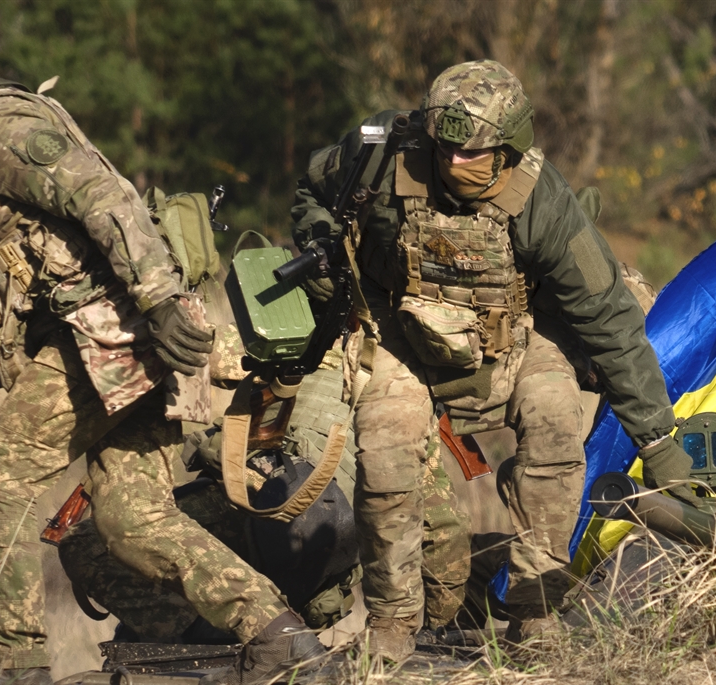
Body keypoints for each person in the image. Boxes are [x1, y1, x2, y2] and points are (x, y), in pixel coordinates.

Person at [0, 20, 312, 684]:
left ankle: (16, 660)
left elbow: (105, 199)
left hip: (113, 333)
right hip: (112, 336)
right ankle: (278, 634)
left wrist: (162, 301)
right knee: (131, 519)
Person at [289, 59, 686, 660]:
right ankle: (393, 622)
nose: (451, 163)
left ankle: (535, 610)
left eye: (471, 154)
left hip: (517, 341)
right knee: (384, 444)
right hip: (405, 334)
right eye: (442, 149)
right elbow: (309, 192)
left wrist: (658, 442)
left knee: (555, 424)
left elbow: (610, 319)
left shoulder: (543, 202)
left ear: (508, 150)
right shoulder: (380, 152)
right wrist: (323, 240)